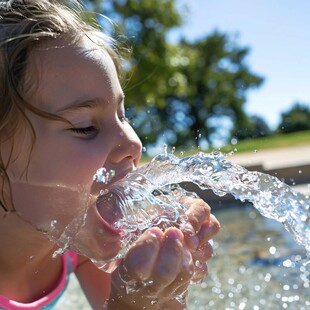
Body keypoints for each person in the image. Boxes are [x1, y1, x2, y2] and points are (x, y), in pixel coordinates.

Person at [0, 0, 220, 309]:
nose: (133, 143)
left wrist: (164, 282)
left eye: (123, 115)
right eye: (86, 127)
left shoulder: (73, 238)